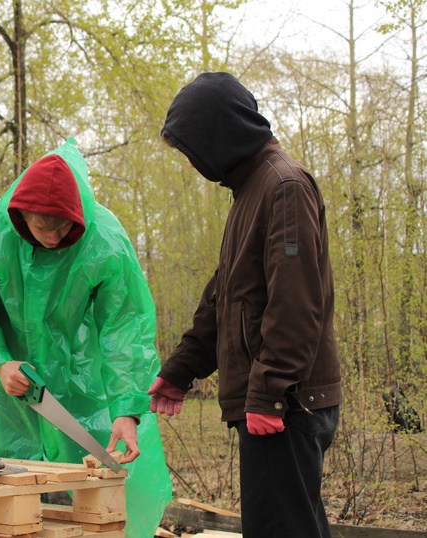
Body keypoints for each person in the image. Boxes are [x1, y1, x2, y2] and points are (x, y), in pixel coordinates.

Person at [0, 138, 172, 537]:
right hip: (11, 382)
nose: (50, 236)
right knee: (11, 485)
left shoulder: (106, 241)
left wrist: (127, 409)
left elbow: (126, 328)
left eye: (61, 227)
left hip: (83, 379)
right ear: (19, 216)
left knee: (106, 483)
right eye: (40, 227)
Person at [149, 72, 342, 538]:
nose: (194, 162)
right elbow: (227, 297)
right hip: (278, 404)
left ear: (219, 133)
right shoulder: (251, 191)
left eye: (193, 149)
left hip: (287, 405)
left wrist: (270, 392)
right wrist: (181, 369)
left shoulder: (283, 186)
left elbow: (296, 302)